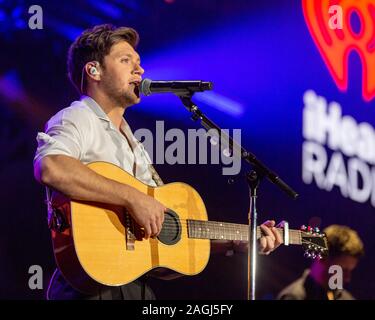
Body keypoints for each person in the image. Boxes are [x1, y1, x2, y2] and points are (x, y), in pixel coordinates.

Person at [33, 24, 283, 300]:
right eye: (126, 60)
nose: (139, 71)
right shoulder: (78, 118)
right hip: (87, 288)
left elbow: (168, 232)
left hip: (134, 286)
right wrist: (132, 197)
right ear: (94, 71)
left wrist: (238, 242)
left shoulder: (133, 142)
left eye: (139, 63)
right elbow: (51, 167)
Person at [277, 224, 364, 300]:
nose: (347, 278)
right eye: (343, 269)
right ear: (322, 258)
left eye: (350, 271)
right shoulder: (293, 296)